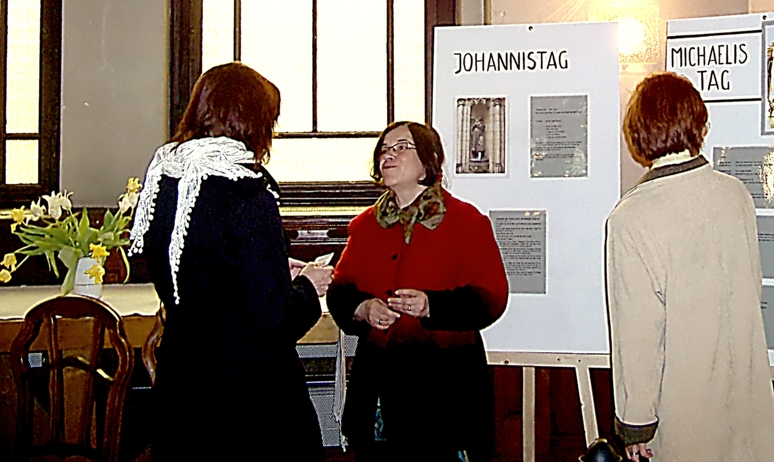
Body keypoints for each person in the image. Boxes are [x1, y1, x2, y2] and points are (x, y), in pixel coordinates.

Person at [130, 62, 333, 461]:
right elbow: (274, 322)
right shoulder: (246, 193)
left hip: (184, 381)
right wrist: (309, 284)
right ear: (252, 120)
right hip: (245, 395)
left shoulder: (165, 181)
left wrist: (275, 265)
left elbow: (197, 264)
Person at [605, 72, 774, 462]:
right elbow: (751, 292)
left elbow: (638, 333)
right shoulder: (735, 194)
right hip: (748, 399)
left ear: (637, 131)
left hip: (684, 414)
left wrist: (636, 424)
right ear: (698, 122)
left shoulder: (632, 217)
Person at [328, 121, 509, 461]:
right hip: (380, 383)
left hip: (446, 384)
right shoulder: (365, 225)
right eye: (384, 149)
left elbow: (492, 297)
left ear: (428, 160)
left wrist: (432, 306)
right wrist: (363, 308)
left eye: (401, 147)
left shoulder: (466, 221)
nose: (389, 155)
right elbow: (340, 291)